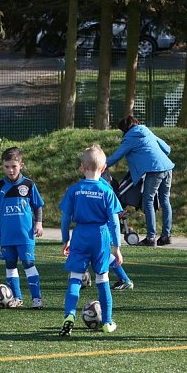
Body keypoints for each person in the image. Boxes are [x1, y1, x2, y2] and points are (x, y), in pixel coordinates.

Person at [58, 144, 124, 336]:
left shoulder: (74, 189)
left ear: (82, 167)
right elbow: (114, 221)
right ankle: (107, 322)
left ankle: (69, 315)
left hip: (80, 235)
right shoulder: (106, 191)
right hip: (100, 236)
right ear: (103, 169)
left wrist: (65, 240)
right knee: (102, 279)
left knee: (75, 278)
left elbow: (65, 218)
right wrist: (117, 247)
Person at [0, 147, 45, 309]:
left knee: (28, 263)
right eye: (7, 166)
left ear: (21, 165)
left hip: (25, 235)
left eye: (14, 166)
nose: (10, 170)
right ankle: (17, 298)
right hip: (7, 236)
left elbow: (38, 206)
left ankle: (36, 298)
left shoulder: (28, 185)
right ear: (3, 166)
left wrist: (39, 223)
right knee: (10, 265)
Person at [105, 115, 174, 247]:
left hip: (154, 170)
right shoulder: (147, 131)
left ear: (125, 129)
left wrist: (99, 166)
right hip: (167, 167)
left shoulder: (130, 137)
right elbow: (167, 149)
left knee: (147, 200)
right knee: (165, 200)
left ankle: (150, 237)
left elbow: (117, 156)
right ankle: (166, 236)